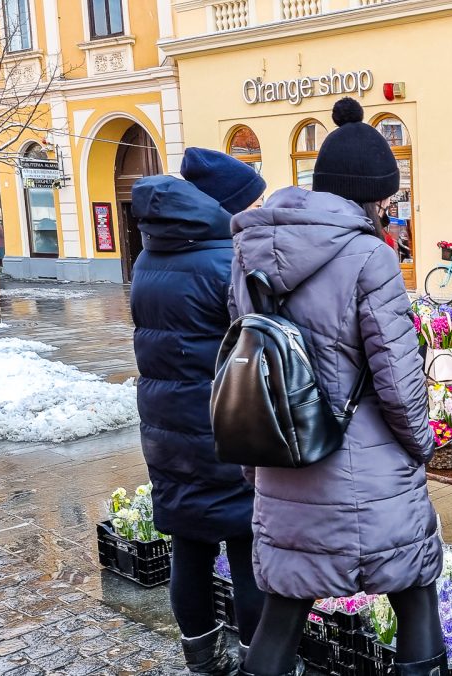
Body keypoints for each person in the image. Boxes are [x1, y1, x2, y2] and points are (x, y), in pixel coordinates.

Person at [230, 97, 445, 676]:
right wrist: (424, 446)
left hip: (283, 460)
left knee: (285, 607)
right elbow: (399, 382)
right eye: (390, 199)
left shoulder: (249, 251)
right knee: (416, 591)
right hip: (367, 466)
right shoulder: (370, 258)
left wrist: (257, 471)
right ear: (375, 196)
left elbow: (248, 359)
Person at [130, 147, 267, 675]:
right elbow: (261, 340)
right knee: (246, 549)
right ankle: (260, 663)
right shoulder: (224, 262)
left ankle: (204, 661)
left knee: (189, 546)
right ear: (226, 207)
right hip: (224, 428)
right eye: (250, 203)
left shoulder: (150, 256)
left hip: (167, 429)